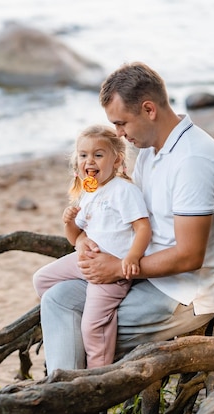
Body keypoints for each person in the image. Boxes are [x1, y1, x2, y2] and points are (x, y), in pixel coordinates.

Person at [40, 61, 214, 374]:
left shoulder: (193, 161)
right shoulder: (149, 149)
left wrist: (118, 267)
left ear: (149, 110)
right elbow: (125, 214)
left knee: (73, 322)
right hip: (144, 274)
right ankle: (68, 390)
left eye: (122, 124)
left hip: (183, 294)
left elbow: (190, 256)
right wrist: (84, 241)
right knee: (56, 297)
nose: (118, 133)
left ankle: (70, 395)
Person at [33, 125, 151, 369]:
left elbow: (143, 228)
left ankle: (97, 374)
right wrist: (71, 227)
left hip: (110, 273)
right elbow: (76, 236)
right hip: (86, 262)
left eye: (98, 154)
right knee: (41, 280)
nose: (90, 160)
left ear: (117, 159)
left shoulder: (123, 191)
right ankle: (76, 318)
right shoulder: (89, 191)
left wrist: (131, 258)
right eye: (83, 155)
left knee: (93, 328)